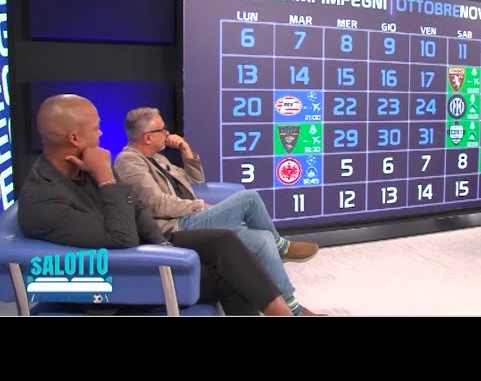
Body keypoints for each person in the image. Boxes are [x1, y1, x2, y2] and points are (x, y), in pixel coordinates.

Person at [18, 94, 294, 316]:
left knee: (224, 241)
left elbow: (136, 208)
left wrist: (163, 245)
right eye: (95, 128)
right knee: (231, 275)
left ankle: (282, 312)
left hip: (144, 250)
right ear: (74, 139)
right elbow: (122, 238)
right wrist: (105, 178)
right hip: (119, 280)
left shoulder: (84, 166)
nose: (101, 133)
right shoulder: (42, 199)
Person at [113, 107, 320, 316]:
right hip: (174, 227)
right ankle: (282, 246)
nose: (167, 134)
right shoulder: (129, 161)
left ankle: (294, 308)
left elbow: (196, 182)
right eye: (162, 130)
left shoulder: (159, 159)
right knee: (249, 198)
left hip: (190, 217)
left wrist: (186, 150)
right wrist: (197, 206)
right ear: (148, 137)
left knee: (263, 239)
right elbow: (155, 203)